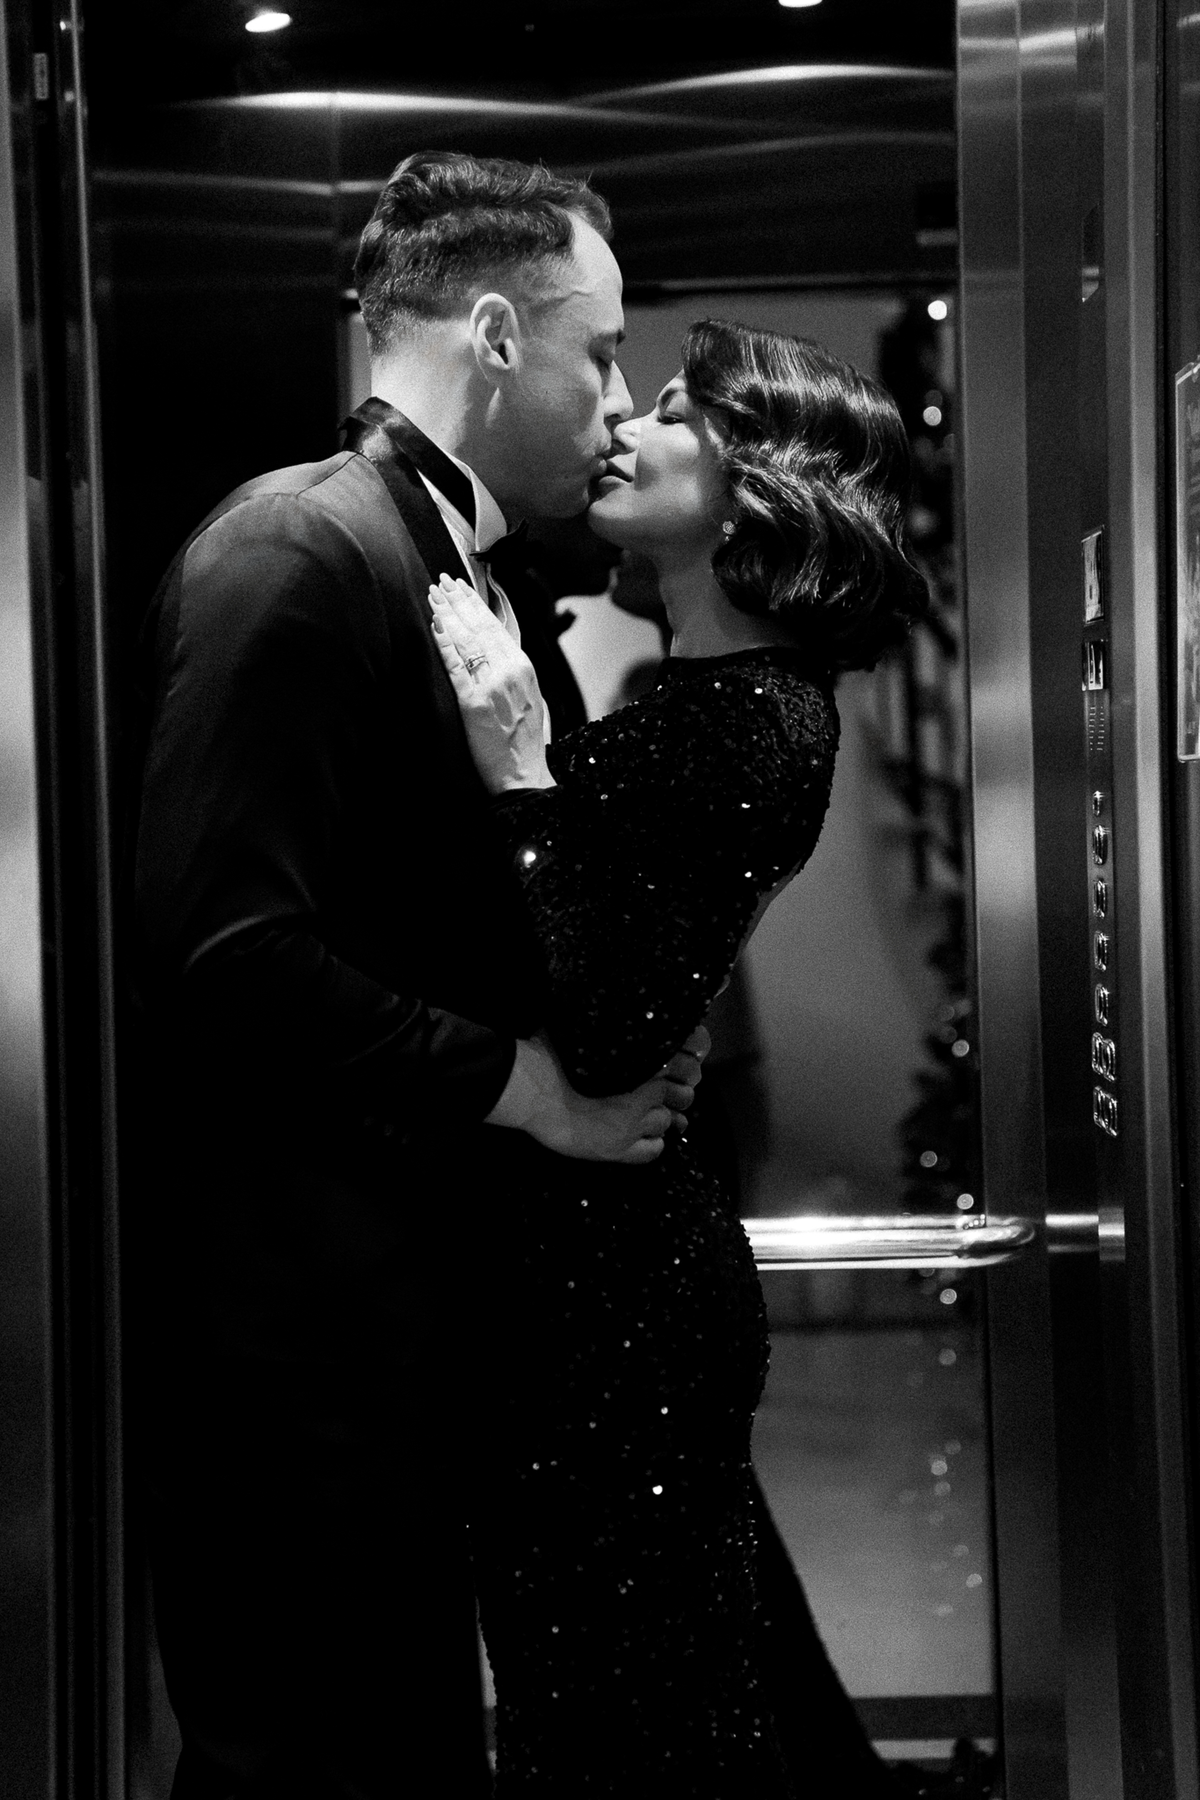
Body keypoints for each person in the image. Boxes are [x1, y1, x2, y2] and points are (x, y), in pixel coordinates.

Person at [125, 150, 707, 1800]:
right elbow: (223, 952)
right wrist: (532, 1091)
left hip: (400, 1337)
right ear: (501, 336)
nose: (619, 400)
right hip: (298, 1359)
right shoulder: (299, 551)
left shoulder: (448, 559)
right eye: (603, 351)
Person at [429, 319, 927, 1795]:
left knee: (633, 1724)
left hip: (612, 1310)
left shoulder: (748, 721)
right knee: (644, 1698)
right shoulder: (716, 704)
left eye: (668, 412)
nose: (623, 431)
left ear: (757, 481)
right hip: (605, 1285)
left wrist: (521, 774)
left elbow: (599, 1023)